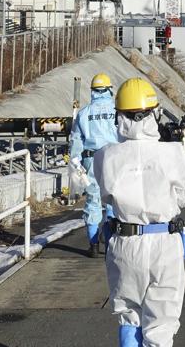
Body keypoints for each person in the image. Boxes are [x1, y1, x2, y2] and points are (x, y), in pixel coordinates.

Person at [93, 77, 185, 347]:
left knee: (129, 316)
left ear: (119, 116)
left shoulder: (106, 156)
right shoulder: (173, 154)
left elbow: (106, 195)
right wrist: (183, 150)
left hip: (123, 242)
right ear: (154, 113)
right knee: (161, 326)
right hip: (164, 242)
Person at [69, 72, 120, 257]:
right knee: (114, 202)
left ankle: (93, 245)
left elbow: (76, 143)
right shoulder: (117, 111)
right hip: (114, 159)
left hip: (91, 160)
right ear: (108, 90)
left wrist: (77, 165)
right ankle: (111, 244)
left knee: (93, 202)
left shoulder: (83, 114)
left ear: (92, 91)